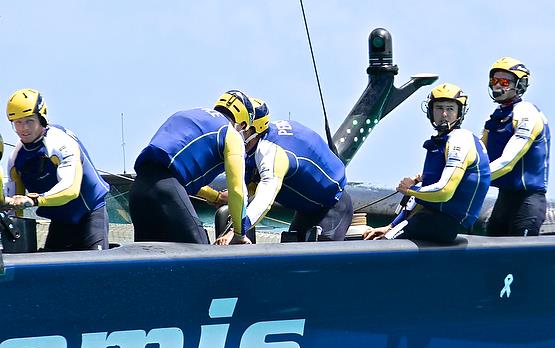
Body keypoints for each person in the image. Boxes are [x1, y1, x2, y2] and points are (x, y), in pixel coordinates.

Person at [364, 83, 490, 244]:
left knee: (382, 245)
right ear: (430, 111)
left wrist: (410, 189)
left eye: (450, 109)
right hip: (429, 220)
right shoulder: (441, 143)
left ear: (460, 112)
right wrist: (391, 226)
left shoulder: (460, 140)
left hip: (443, 224)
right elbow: (423, 200)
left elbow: (444, 191)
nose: (444, 114)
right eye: (438, 108)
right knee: (380, 238)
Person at [215, 98, 353, 243]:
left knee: (319, 258)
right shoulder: (251, 149)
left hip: (333, 206)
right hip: (305, 210)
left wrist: (237, 232)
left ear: (255, 129)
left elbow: (264, 199)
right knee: (292, 252)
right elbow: (246, 191)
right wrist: (216, 196)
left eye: (241, 128)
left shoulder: (270, 152)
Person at [129, 90, 254, 244]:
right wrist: (240, 233)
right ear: (242, 124)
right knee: (202, 260)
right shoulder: (230, 133)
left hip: (138, 192)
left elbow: (170, 170)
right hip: (168, 192)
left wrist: (215, 197)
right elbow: (237, 190)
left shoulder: (183, 115)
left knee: (150, 265)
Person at [3, 89, 110, 251]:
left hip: (90, 215)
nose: (23, 128)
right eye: (17, 122)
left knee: (98, 269)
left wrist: (34, 200)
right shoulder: (15, 158)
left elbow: (70, 189)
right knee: (51, 273)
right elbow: (13, 209)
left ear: (41, 118)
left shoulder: (60, 143)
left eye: (29, 121)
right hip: (61, 221)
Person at [482, 57, 550, 236]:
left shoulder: (526, 112)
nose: (497, 86)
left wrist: (473, 178)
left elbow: (508, 161)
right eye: (494, 81)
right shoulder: (496, 116)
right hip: (504, 199)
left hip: (527, 201)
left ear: (520, 85)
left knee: (520, 260)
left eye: (504, 82)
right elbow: (478, 155)